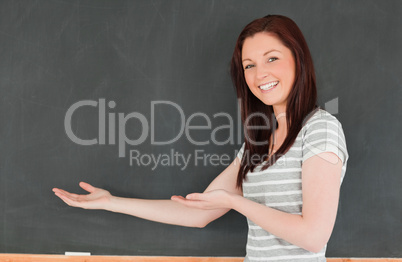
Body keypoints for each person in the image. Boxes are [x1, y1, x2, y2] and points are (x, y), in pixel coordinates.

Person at [53, 14, 349, 262]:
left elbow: (313, 236)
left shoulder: (320, 129)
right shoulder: (257, 143)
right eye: (249, 65)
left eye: (272, 58)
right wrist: (110, 202)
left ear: (298, 59)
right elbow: (198, 213)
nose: (260, 74)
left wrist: (237, 202)